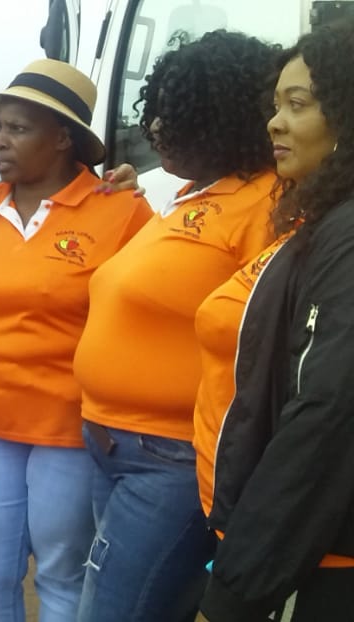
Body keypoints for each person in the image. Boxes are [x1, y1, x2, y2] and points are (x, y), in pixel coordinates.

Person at [71, 30, 280, 622]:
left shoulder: (267, 205)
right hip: (114, 446)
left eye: (178, 112)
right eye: (157, 110)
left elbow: (261, 337)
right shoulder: (190, 196)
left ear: (226, 118)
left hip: (171, 460)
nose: (157, 127)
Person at [0, 59, 153, 622]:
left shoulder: (121, 210)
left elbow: (146, 317)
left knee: (63, 574)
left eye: (18, 128)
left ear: (63, 138)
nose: (0, 140)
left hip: (73, 428)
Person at [201, 20, 354, 621]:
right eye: (275, 105)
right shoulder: (320, 218)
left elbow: (326, 411)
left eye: (298, 104)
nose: (275, 122)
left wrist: (239, 587)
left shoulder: (346, 233)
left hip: (316, 559)